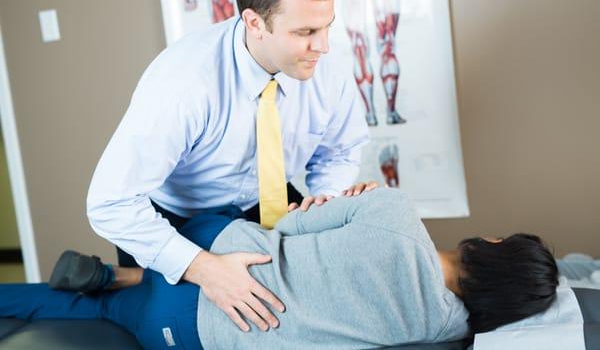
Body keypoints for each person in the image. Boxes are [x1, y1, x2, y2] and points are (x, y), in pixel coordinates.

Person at [86, 0, 371, 333]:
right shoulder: (183, 84)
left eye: (326, 27)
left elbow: (342, 150)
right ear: (255, 22)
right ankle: (108, 281)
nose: (323, 46)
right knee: (170, 324)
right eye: (305, 33)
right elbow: (110, 202)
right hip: (175, 215)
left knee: (280, 316)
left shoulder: (327, 73)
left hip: (264, 199)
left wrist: (324, 199)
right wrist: (204, 269)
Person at [1, 188, 559, 350]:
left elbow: (288, 227)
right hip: (197, 334)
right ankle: (111, 287)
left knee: (239, 212)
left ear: (492, 244)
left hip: (214, 252)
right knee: (104, 313)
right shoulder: (445, 329)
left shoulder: (394, 212)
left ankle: (119, 273)